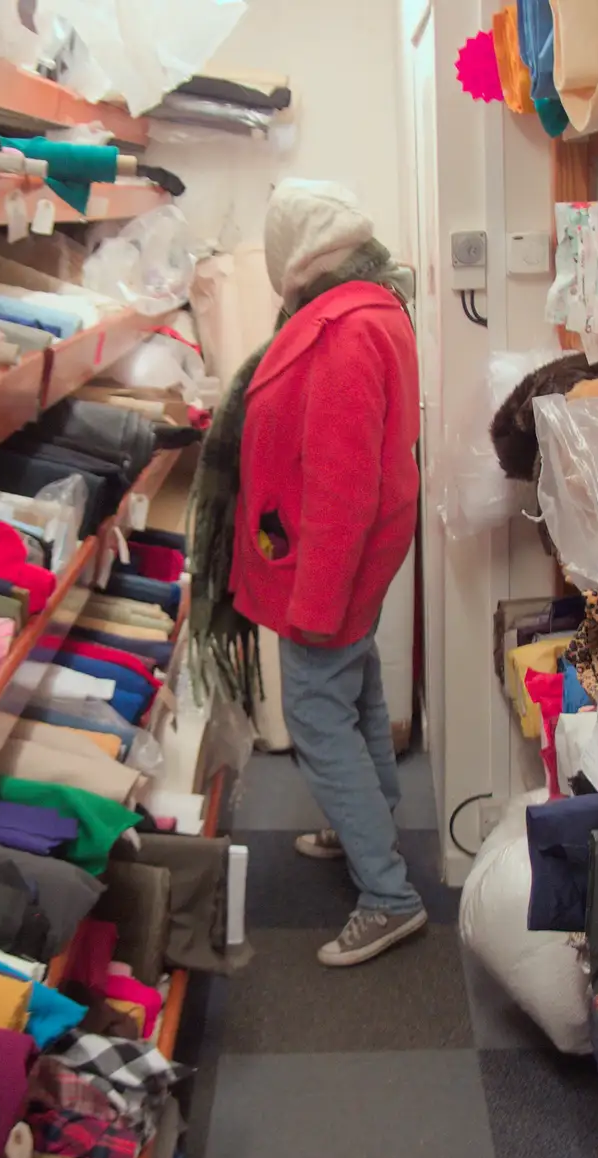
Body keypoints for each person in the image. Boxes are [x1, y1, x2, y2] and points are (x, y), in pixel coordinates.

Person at [189, 179, 422, 967]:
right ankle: (371, 819)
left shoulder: (340, 333)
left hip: (329, 567)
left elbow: (339, 482)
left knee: (319, 720)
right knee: (358, 696)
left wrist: (316, 599)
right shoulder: (374, 307)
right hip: (355, 558)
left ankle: (388, 892)